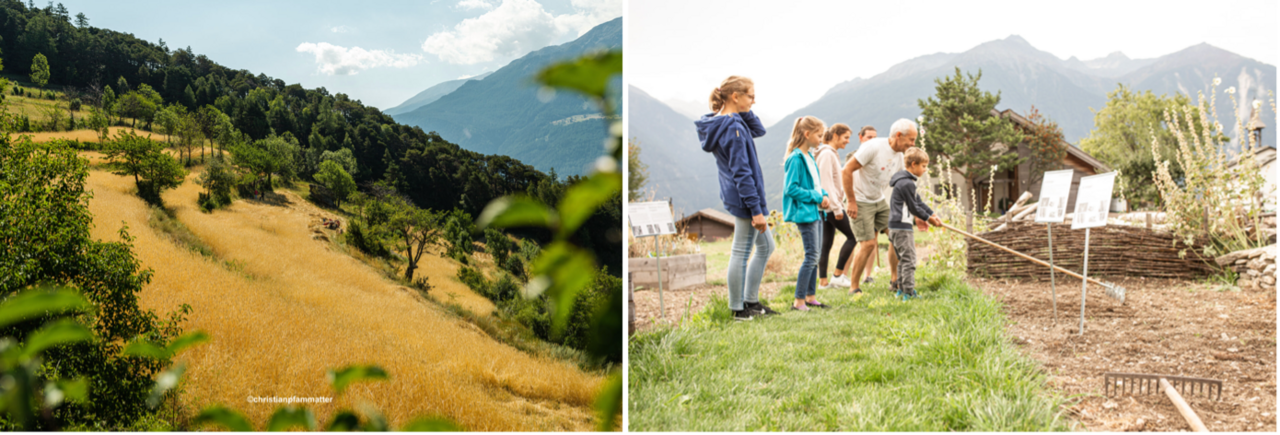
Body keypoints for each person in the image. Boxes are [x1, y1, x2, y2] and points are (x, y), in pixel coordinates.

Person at [697, 76, 779, 321]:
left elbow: (759, 130)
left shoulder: (728, 121)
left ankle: (751, 301)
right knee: (742, 251)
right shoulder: (732, 128)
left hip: (744, 195)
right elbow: (741, 171)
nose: (754, 101)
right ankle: (738, 308)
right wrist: (755, 210)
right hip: (745, 197)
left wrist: (741, 110)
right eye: (750, 96)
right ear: (735, 96)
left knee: (766, 246)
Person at [840, 119, 924, 296]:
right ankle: (854, 287)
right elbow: (846, 170)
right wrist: (851, 201)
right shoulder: (873, 147)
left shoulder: (900, 156)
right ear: (899, 136)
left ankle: (895, 280)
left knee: (896, 234)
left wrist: (918, 213)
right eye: (911, 140)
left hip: (878, 200)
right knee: (868, 244)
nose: (913, 144)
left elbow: (906, 184)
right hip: (861, 200)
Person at [782, 116, 835, 311]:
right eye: (819, 135)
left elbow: (815, 184)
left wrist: (824, 194)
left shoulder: (810, 156)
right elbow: (791, 189)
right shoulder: (795, 158)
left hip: (816, 211)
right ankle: (798, 301)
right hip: (805, 213)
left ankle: (811, 297)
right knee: (811, 255)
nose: (821, 139)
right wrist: (816, 196)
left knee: (816, 254)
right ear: (807, 134)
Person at [888, 147, 943, 301]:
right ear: (913, 164)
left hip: (895, 227)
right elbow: (913, 208)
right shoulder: (907, 183)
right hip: (902, 227)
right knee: (910, 260)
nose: (925, 169)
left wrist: (932, 213)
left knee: (902, 260)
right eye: (924, 166)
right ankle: (908, 292)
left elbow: (918, 201)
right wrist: (928, 219)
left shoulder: (905, 181)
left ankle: (902, 290)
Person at [815, 124, 856, 289]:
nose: (847, 141)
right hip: (830, 206)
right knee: (853, 236)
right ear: (835, 136)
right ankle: (838, 275)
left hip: (826, 206)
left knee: (826, 243)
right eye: (845, 137)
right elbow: (826, 183)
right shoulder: (826, 154)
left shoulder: (828, 153)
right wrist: (838, 208)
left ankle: (823, 282)